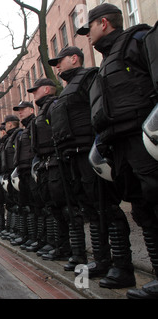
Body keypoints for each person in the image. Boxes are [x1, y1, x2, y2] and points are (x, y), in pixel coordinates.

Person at [77, 3, 158, 298]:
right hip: (120, 144)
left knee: (155, 202)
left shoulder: (137, 40)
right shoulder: (107, 62)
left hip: (142, 139)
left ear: (104, 24)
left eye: (90, 29)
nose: (88, 36)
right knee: (142, 208)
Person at [47, 45, 135, 288]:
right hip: (72, 156)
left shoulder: (89, 77)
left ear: (74, 59)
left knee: (106, 207)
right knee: (91, 211)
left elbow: (99, 110)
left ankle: (122, 266)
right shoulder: (67, 90)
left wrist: (101, 145)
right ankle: (103, 260)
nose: (56, 66)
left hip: (89, 153)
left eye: (60, 61)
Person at [27, 78, 61, 256]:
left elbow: (59, 131)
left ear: (47, 89)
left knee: (60, 207)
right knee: (51, 206)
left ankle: (69, 249)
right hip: (45, 163)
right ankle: (56, 244)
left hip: (55, 161)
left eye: (36, 90)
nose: (34, 94)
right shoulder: (43, 111)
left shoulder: (53, 106)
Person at [12, 101, 38, 248]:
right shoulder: (25, 129)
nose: (20, 112)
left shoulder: (34, 124)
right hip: (23, 171)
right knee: (26, 205)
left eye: (22, 110)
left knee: (37, 206)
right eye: (18, 110)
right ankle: (30, 236)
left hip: (32, 170)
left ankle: (40, 239)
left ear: (30, 109)